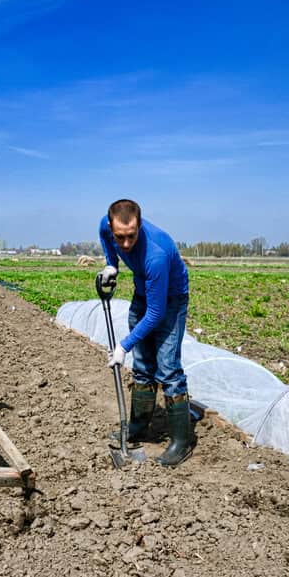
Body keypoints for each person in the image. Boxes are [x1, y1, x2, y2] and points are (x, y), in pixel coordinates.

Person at [98, 198, 195, 466]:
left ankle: (181, 441)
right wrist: (112, 265)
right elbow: (106, 239)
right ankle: (139, 426)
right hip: (144, 292)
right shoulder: (106, 228)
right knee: (142, 365)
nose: (126, 244)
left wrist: (123, 346)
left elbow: (155, 314)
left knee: (168, 368)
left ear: (140, 225)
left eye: (131, 236)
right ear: (111, 226)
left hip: (171, 299)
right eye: (120, 237)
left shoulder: (156, 253)